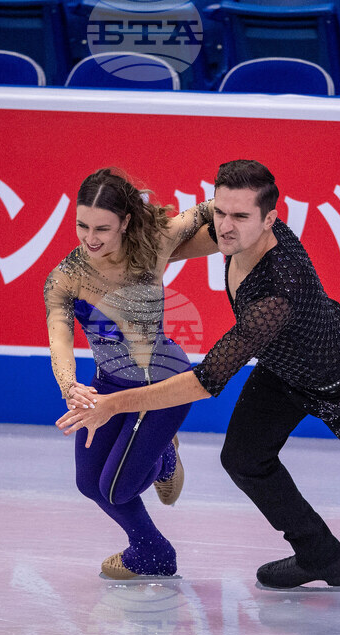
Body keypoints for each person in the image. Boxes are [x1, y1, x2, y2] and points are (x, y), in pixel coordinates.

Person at [57, 160, 340, 589]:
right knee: (244, 460)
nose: (225, 226)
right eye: (221, 211)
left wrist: (112, 405)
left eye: (240, 216)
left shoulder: (275, 295)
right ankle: (320, 555)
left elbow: (205, 380)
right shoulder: (237, 236)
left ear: (271, 219)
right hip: (282, 367)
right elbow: (178, 236)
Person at [44, 168, 214, 580]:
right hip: (107, 384)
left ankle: (163, 469)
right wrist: (71, 388)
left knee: (117, 488)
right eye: (82, 225)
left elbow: (211, 209)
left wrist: (252, 213)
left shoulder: (155, 243)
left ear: (125, 221)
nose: (91, 237)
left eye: (102, 227)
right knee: (89, 484)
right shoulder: (65, 277)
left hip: (166, 384)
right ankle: (151, 546)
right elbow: (60, 340)